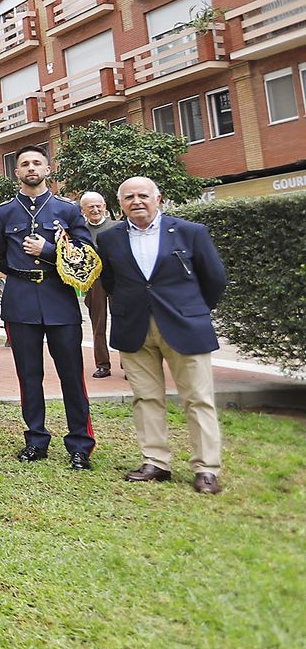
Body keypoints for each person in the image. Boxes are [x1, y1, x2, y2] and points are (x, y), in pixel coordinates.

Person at [97, 177, 228, 494]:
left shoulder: (189, 232)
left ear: (158, 198)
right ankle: (155, 461)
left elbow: (214, 279)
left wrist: (190, 309)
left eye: (143, 195)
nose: (136, 201)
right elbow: (111, 282)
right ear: (121, 204)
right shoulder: (110, 238)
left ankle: (206, 469)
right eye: (129, 197)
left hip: (184, 326)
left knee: (198, 399)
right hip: (134, 328)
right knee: (145, 398)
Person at [0, 146, 97, 470]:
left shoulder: (69, 209)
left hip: (59, 298)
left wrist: (48, 250)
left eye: (37, 163)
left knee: (71, 376)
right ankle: (35, 439)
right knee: (28, 376)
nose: (31, 168)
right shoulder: (3, 213)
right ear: (17, 173)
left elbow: (85, 251)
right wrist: (21, 271)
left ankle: (80, 444)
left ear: (47, 169)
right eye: (24, 164)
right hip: (20, 300)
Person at [79, 191, 115, 378]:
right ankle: (103, 365)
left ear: (105, 207)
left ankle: (128, 363)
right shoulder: (80, 231)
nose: (95, 209)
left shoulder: (118, 227)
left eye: (98, 205)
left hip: (118, 281)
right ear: (83, 210)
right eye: (90, 206)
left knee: (123, 322)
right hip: (95, 281)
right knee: (98, 324)